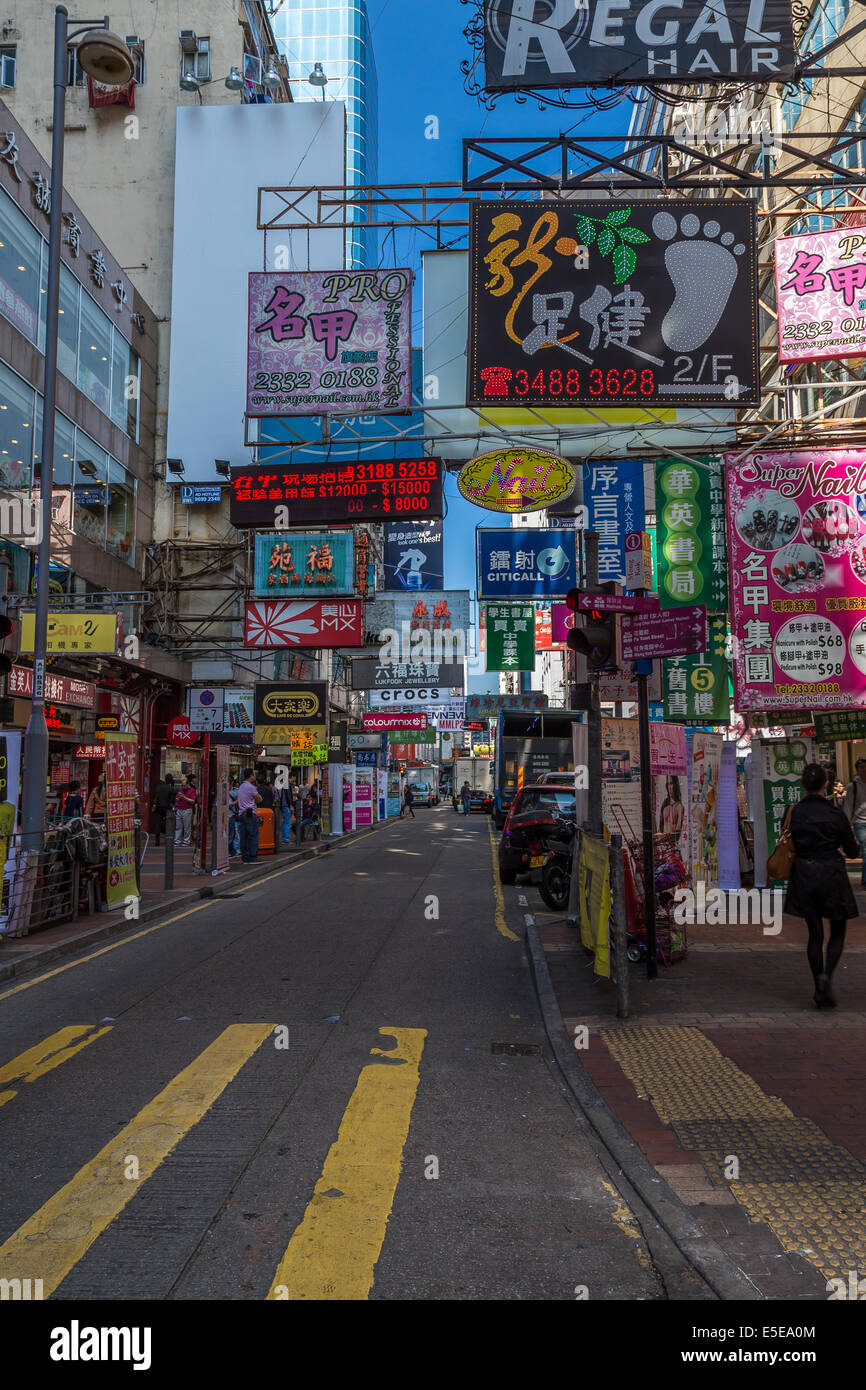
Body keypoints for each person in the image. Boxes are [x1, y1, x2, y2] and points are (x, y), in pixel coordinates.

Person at [785, 763, 860, 1008]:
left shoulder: (794, 812)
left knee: (814, 934)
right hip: (831, 873)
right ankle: (827, 974)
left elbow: (790, 841)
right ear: (826, 784)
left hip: (804, 873)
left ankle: (818, 980)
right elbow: (851, 850)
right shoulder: (835, 814)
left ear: (804, 785)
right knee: (837, 930)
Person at [843, 758, 866, 885]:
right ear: (857, 770)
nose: (864, 769)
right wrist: (846, 825)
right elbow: (848, 805)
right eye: (861, 767)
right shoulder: (853, 786)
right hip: (860, 823)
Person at [237, 768, 262, 862]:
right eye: (253, 775)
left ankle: (245, 857)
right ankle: (253, 856)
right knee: (253, 835)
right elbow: (259, 799)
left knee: (243, 837)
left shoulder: (241, 786)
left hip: (241, 813)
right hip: (250, 814)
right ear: (251, 775)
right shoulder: (251, 787)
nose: (254, 777)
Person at [151, 773, 175, 846]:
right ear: (171, 781)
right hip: (167, 808)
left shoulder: (158, 787)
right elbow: (172, 801)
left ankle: (157, 841)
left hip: (158, 808)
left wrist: (155, 805)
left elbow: (156, 798)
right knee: (169, 823)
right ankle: (168, 839)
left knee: (158, 824)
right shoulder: (171, 789)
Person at [174, 774, 197, 846]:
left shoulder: (192, 790)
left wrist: (184, 797)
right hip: (179, 809)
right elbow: (176, 799)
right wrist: (178, 799)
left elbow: (192, 801)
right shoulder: (180, 790)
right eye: (182, 785)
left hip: (187, 810)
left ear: (188, 784)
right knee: (178, 826)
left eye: (184, 785)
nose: (182, 787)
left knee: (187, 826)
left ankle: (186, 841)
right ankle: (177, 841)